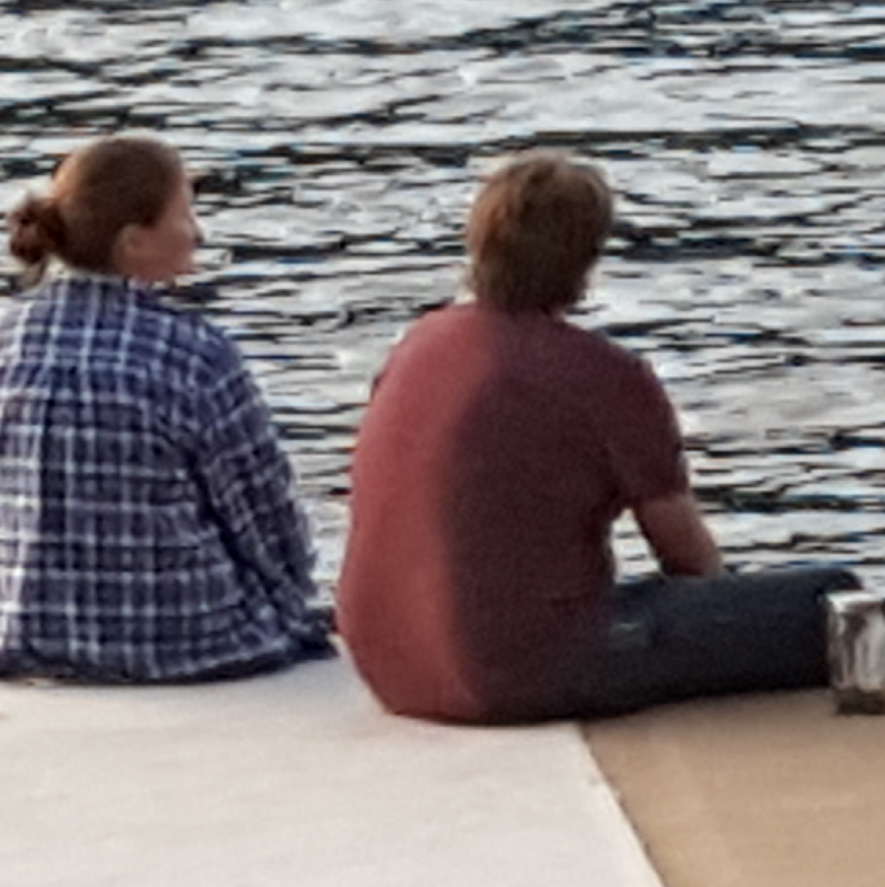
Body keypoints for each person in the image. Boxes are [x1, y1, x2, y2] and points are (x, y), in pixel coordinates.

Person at [336, 151, 858, 725]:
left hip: (390, 662)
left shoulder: (420, 344)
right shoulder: (606, 376)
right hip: (514, 671)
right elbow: (687, 557)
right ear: (585, 259)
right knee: (832, 601)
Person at [0, 132, 330, 683]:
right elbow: (265, 520)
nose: (199, 232)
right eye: (185, 213)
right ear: (134, 241)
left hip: (17, 632)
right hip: (185, 637)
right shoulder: (196, 353)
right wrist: (296, 604)